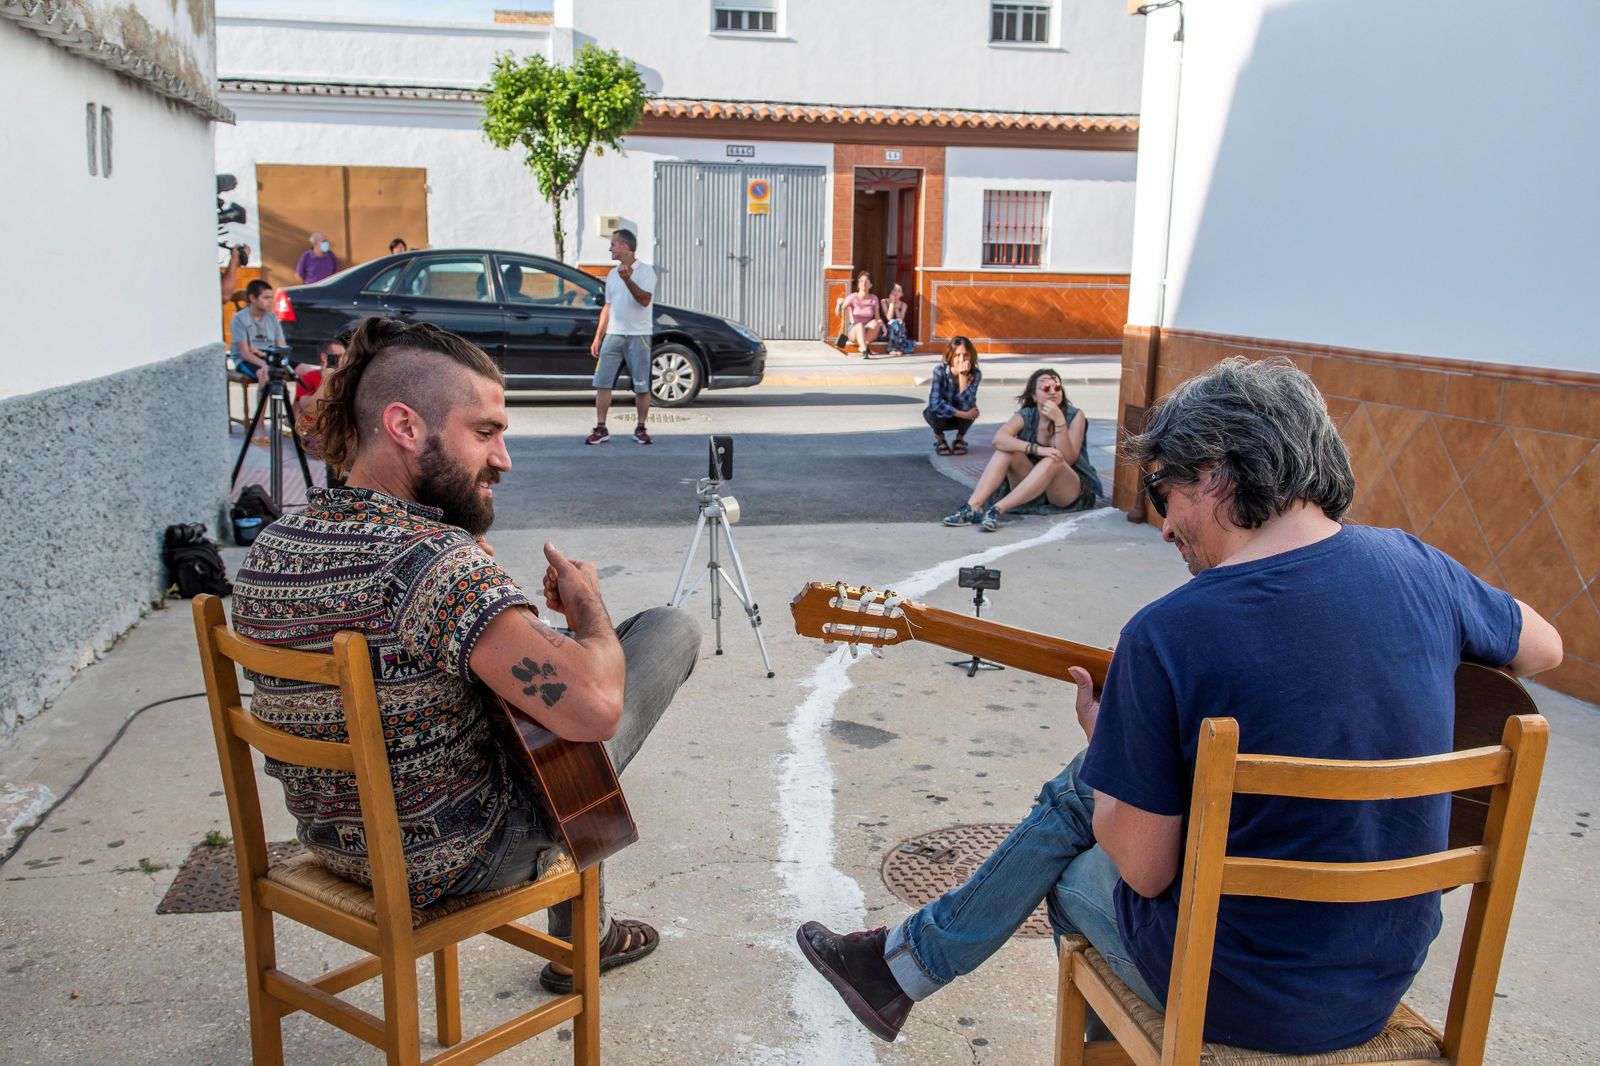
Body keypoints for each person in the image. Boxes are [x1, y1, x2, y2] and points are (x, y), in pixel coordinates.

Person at [798, 357, 1563, 1053]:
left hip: (1233, 993)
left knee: (1075, 835)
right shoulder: (1423, 567)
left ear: (1217, 475)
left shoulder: (1170, 633)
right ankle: (897, 969)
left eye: (1165, 491)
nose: (1162, 523)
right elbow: (1545, 649)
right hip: (1377, 979)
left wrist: (1115, 750)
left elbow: (1146, 869)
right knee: (1099, 789)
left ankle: (914, 975)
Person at [231, 316, 701, 992]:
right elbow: (595, 710)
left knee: (543, 704)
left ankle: (589, 932)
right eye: (485, 432)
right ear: (405, 426)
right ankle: (584, 940)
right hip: (457, 858)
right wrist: (590, 610)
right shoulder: (432, 565)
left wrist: (493, 597)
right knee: (661, 635)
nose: (504, 458)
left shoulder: (275, 547)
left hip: (334, 842)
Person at [942, 368, 1100, 532]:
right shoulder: (1027, 414)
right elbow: (999, 440)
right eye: (1046, 388)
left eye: (1057, 387)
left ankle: (997, 510)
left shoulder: (1075, 416)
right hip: (1032, 487)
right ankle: (972, 507)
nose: (1053, 391)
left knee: (1053, 460)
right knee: (1006, 451)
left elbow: (1068, 459)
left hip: (1065, 489)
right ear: (1034, 395)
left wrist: (1059, 421)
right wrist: (1038, 449)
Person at [586, 228, 658, 446]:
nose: (611, 248)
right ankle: (601, 428)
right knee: (603, 382)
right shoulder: (611, 274)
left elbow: (645, 300)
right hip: (614, 334)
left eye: (613, 244)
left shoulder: (646, 272)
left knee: (642, 385)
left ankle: (641, 427)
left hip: (639, 336)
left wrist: (627, 280)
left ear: (625, 247)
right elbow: (608, 307)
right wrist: (598, 336)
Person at [922, 336, 981, 456]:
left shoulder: (976, 374)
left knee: (972, 408)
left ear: (971, 356)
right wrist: (964, 414)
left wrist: (963, 377)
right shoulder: (940, 370)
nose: (961, 359)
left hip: (961, 416)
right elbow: (935, 403)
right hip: (941, 416)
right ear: (950, 356)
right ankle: (940, 439)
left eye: (966, 355)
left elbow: (967, 405)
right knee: (932, 411)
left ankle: (960, 439)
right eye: (957, 355)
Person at [228, 279, 284, 387]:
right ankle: (261, 404)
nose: (271, 301)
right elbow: (245, 353)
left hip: (269, 356)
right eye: (266, 298)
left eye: (272, 297)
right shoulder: (239, 318)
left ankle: (299, 403)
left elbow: (281, 347)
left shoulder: (272, 317)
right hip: (246, 360)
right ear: (252, 298)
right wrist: (264, 363)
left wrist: (263, 354)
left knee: (305, 371)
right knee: (265, 373)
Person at [838, 272, 882, 356]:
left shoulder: (874, 298)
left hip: (868, 331)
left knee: (876, 322)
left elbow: (877, 316)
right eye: (861, 281)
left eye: (866, 281)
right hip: (854, 329)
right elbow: (839, 312)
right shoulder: (852, 297)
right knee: (860, 325)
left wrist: (882, 325)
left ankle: (863, 345)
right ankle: (865, 350)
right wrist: (839, 304)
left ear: (870, 285)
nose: (863, 284)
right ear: (858, 284)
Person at [881, 284, 916, 355]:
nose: (896, 292)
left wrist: (896, 308)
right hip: (886, 330)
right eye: (894, 290)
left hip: (900, 330)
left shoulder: (904, 305)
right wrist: (892, 303)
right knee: (893, 322)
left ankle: (895, 348)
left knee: (897, 322)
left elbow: (901, 319)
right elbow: (889, 318)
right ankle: (892, 348)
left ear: (902, 294)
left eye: (898, 291)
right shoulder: (884, 301)